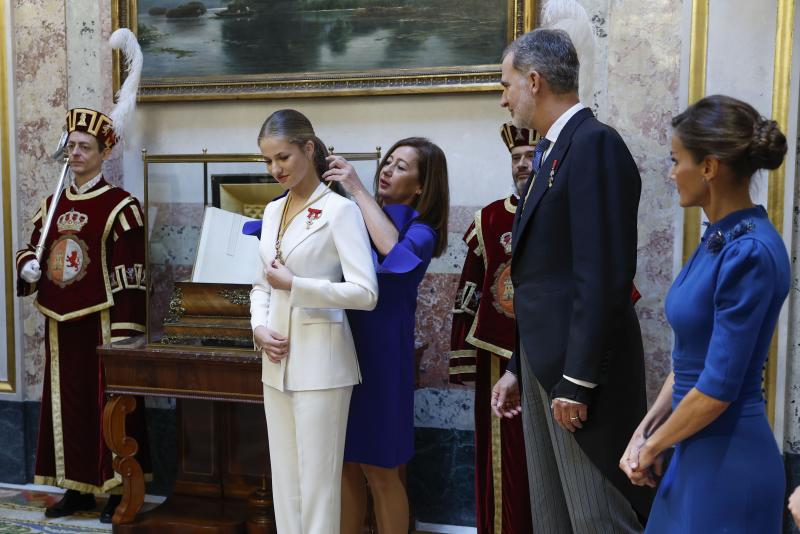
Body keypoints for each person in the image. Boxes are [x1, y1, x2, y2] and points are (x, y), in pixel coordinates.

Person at [490, 27, 654, 532]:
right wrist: (519, 364)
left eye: (507, 84)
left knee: (595, 516)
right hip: (546, 364)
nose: (504, 98)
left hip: (581, 374)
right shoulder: (549, 152)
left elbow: (602, 273)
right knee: (553, 515)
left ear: (534, 81)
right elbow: (543, 276)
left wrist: (579, 381)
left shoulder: (595, 144)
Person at [620, 95, 790, 533]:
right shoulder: (719, 236)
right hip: (692, 451)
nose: (672, 173)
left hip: (729, 463)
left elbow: (717, 388)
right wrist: (645, 433)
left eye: (677, 160)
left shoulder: (749, 250)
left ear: (709, 167)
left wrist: (654, 443)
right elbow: (690, 360)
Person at [15, 106, 151, 523]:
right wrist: (26, 267)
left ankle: (116, 490)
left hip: (104, 324)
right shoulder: (50, 204)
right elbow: (33, 246)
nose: (75, 153)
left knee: (109, 408)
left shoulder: (121, 206)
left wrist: (127, 337)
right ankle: (73, 488)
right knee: (66, 405)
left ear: (103, 152)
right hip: (59, 323)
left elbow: (132, 275)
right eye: (71, 145)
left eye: (84, 147)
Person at [250, 109, 378, 534]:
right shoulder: (271, 213)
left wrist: (298, 285)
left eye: (283, 157)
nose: (275, 169)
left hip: (323, 367)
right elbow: (261, 286)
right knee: (285, 484)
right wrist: (258, 328)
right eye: (268, 161)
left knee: (319, 486)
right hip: (276, 363)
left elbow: (366, 292)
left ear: (309, 148)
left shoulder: (340, 210)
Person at [324, 138, 449, 534]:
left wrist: (357, 189)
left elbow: (393, 252)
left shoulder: (422, 231)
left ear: (421, 187)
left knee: (380, 469)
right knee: (344, 466)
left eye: (401, 167)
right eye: (388, 161)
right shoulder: (357, 215)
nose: (387, 170)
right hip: (343, 349)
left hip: (381, 359)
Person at [449, 122, 534, 534]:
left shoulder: (567, 210)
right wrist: (464, 353)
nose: (523, 164)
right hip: (499, 356)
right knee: (504, 462)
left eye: (531, 155)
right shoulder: (489, 218)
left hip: (553, 353)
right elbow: (468, 289)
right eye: (516, 158)